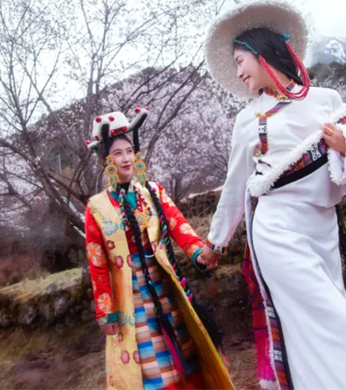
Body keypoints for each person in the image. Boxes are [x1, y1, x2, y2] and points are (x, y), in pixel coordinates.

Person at [198, 0, 346, 390]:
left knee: (330, 315)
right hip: (277, 230)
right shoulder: (247, 120)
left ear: (263, 53)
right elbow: (236, 185)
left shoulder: (325, 100)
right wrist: (216, 242)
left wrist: (344, 145)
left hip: (322, 228)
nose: (238, 72)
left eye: (241, 61)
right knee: (328, 317)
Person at [83, 108, 234, 390]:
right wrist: (106, 311)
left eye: (129, 151)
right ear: (105, 161)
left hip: (164, 283)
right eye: (117, 153)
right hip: (130, 296)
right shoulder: (96, 207)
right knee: (150, 361)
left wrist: (198, 252)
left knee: (185, 349)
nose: (126, 158)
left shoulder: (152, 192)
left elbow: (178, 225)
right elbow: (98, 262)